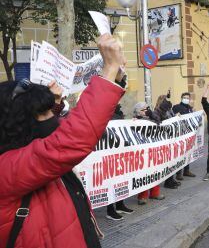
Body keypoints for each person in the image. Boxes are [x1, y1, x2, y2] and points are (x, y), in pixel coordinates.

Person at [0, 34, 125, 247]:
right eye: (44, 112)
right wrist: (108, 70)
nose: (54, 119)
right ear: (19, 123)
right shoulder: (7, 169)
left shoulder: (27, 144)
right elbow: (71, 137)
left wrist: (55, 104)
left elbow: (63, 128)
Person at [132, 102, 165, 205]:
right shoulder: (133, 121)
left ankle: (155, 193)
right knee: (143, 174)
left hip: (153, 150)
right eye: (143, 110)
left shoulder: (151, 118)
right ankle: (142, 196)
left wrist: (151, 114)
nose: (145, 111)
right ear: (138, 112)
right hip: (141, 152)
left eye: (147, 109)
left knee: (155, 172)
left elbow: (159, 121)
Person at [106, 104, 134, 220]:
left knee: (120, 180)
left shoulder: (118, 115)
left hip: (120, 153)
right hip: (108, 153)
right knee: (110, 182)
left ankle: (119, 205)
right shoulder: (105, 115)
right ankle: (110, 210)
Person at [151, 94, 182, 189]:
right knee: (166, 161)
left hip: (171, 139)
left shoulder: (169, 110)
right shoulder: (156, 111)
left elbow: (171, 118)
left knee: (171, 160)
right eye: (165, 100)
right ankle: (168, 181)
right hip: (164, 140)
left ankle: (171, 179)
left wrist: (176, 117)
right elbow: (158, 122)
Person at [172, 92, 196, 180]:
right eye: (184, 97)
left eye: (187, 98)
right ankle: (179, 173)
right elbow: (172, 117)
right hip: (180, 134)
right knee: (180, 153)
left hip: (188, 133)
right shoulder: (176, 107)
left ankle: (186, 170)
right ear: (181, 98)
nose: (186, 99)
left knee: (188, 152)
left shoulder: (190, 108)